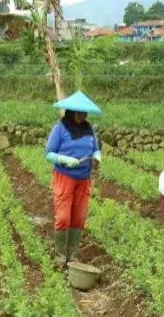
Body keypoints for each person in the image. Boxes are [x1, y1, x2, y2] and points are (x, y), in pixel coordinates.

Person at [45, 91, 102, 265]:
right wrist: (64, 159)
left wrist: (97, 155)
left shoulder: (88, 128)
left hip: (83, 179)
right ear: (70, 112)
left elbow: (95, 148)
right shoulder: (60, 129)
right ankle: (60, 256)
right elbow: (49, 154)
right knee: (63, 217)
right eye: (78, 113)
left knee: (78, 218)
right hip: (65, 177)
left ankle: (72, 255)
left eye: (84, 113)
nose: (81, 116)